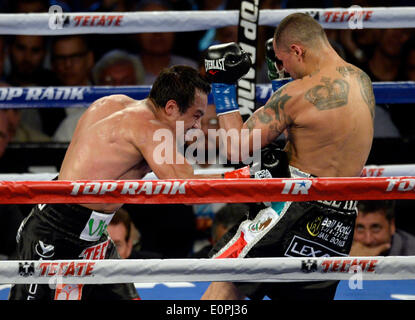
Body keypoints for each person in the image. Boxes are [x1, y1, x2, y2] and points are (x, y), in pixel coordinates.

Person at [9, 65, 225, 300]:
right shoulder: (150, 130)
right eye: (196, 115)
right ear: (171, 107)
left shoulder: (113, 102)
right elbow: (187, 189)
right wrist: (242, 177)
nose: (197, 126)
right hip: (54, 232)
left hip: (93, 234)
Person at [202, 13, 374, 300]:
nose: (283, 69)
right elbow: (317, 132)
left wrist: (222, 86)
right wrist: (281, 84)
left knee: (227, 283)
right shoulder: (362, 81)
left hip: (295, 206)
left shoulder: (295, 94)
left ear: (297, 50)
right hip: (340, 219)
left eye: (283, 61)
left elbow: (236, 148)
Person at [50, 35, 95, 142]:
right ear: (52, 64)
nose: (68, 64)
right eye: (61, 58)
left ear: (89, 59)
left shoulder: (104, 97)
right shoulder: (42, 105)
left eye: (75, 57)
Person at [349, 200, 415, 256]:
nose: (368, 240)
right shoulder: (343, 248)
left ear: (392, 225)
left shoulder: (412, 253)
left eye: (375, 228)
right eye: (360, 228)